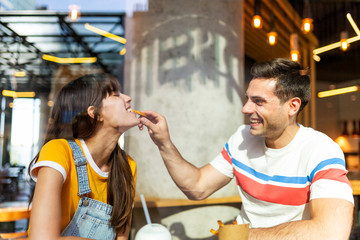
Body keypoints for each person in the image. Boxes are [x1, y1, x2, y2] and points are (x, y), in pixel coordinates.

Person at [139, 58, 354, 239]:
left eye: (258, 101)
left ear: (292, 106)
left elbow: (332, 232)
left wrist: (243, 236)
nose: (245, 108)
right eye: (248, 99)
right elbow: (197, 187)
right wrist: (164, 143)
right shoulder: (241, 138)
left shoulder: (321, 150)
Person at [28, 73, 139, 239]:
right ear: (95, 113)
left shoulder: (128, 165)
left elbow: (121, 236)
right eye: (116, 95)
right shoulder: (58, 151)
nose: (128, 98)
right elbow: (42, 238)